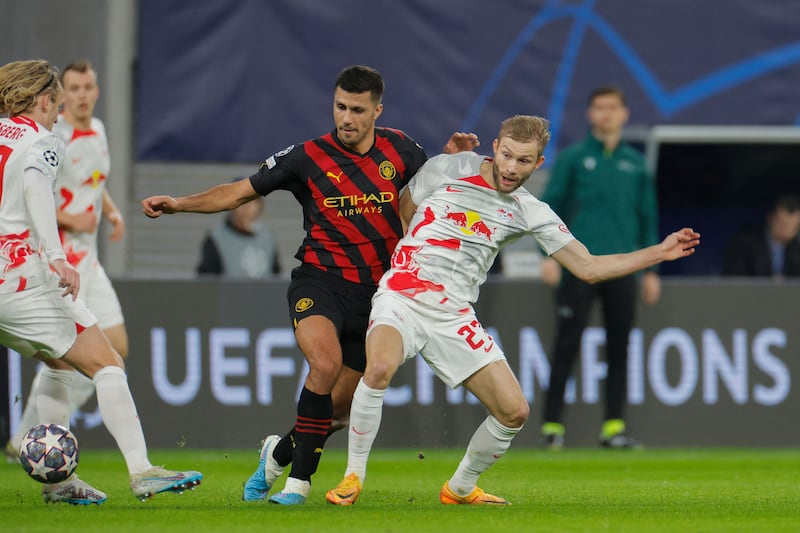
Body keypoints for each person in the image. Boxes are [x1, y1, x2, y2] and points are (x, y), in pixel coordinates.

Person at [141, 65, 479, 505]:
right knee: (323, 365)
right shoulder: (306, 157)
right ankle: (298, 485)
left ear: (378, 110)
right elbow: (238, 191)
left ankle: (276, 454)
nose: (346, 118)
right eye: (340, 107)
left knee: (336, 415)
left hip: (379, 296)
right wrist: (178, 204)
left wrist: (448, 159)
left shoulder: (402, 150)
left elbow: (431, 190)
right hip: (319, 282)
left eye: (357, 109)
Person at [324, 115, 699, 506]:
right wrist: (411, 258)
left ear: (538, 164)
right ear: (495, 147)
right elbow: (404, 209)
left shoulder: (529, 210)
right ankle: (353, 476)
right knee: (380, 367)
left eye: (523, 161)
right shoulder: (450, 166)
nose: (510, 168)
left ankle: (461, 488)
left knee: (514, 411)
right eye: (506, 155)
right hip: (402, 295)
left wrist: (659, 252)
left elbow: (589, 268)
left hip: (454, 315)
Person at [0, 59, 202, 505]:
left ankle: (58, 484)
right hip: (18, 281)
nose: (58, 112)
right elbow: (36, 188)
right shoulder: (44, 141)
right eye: (56, 102)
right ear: (44, 100)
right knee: (107, 362)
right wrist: (56, 256)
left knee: (59, 364)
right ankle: (142, 471)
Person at [5, 59, 130, 460]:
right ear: (53, 98)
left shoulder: (97, 131)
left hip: (86, 258)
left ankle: (40, 440)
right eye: (71, 89)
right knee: (82, 357)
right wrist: (68, 221)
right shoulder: (51, 139)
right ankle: (32, 439)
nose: (78, 96)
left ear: (95, 91)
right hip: (56, 260)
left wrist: (108, 209)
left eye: (86, 87)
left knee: (111, 350)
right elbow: (33, 196)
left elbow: (93, 180)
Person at [539, 85, 659, 450]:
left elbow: (646, 217)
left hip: (624, 268)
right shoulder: (574, 159)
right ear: (590, 114)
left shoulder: (636, 164)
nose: (606, 114)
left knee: (620, 346)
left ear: (624, 114)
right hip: (578, 266)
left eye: (612, 107)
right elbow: (547, 208)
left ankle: (614, 427)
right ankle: (552, 427)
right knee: (566, 342)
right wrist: (549, 256)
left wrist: (652, 269)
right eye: (599, 107)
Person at [196, 178, 281, 278]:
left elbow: (276, 280)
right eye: (242, 201)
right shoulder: (216, 239)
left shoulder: (268, 239)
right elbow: (207, 283)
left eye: (252, 200)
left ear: (260, 206)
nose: (246, 206)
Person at [722, 195, 800, 278]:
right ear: (770, 218)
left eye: (794, 225)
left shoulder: (796, 247)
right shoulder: (745, 244)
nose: (788, 229)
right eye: (783, 224)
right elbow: (735, 280)